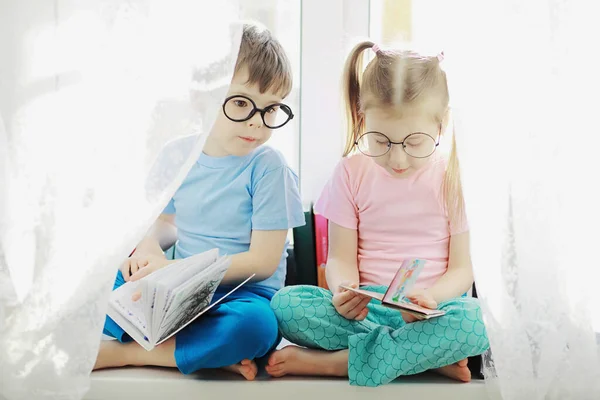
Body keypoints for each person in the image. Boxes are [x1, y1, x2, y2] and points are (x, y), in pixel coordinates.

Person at [267, 42, 489, 387]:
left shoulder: (454, 178)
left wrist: (432, 298)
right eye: (380, 141)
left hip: (429, 314)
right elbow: (340, 257)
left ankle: (339, 364)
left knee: (477, 321)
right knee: (285, 304)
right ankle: (420, 359)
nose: (397, 159)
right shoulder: (351, 173)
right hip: (366, 313)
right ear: (361, 118)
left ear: (441, 124)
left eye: (415, 143)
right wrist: (345, 291)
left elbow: (462, 269)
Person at [95, 22, 305, 381]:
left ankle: (130, 354)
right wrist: (150, 254)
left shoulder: (269, 167)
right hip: (176, 291)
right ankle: (203, 355)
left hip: (243, 296)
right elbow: (160, 223)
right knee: (97, 282)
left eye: (270, 109)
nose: (257, 124)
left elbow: (264, 262)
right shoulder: (177, 155)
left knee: (256, 328)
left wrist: (177, 272)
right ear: (201, 99)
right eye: (241, 102)